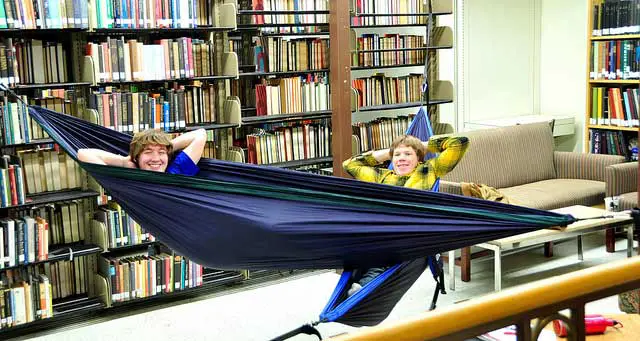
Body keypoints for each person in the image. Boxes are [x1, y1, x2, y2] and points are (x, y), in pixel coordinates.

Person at [342, 134, 469, 296]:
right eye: (397, 155)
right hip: (383, 231)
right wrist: (389, 152)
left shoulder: (429, 169)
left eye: (408, 154)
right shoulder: (382, 176)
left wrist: (422, 145)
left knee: (386, 252)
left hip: (413, 232)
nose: (402, 158)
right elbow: (349, 165)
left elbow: (459, 143)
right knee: (359, 242)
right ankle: (360, 283)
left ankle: (364, 287)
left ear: (419, 158)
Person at [77, 128, 207, 175]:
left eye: (161, 152)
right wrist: (123, 162)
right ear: (137, 158)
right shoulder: (131, 179)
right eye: (148, 151)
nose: (156, 158)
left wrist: (167, 146)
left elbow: (200, 134)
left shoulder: (176, 172)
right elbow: (83, 153)